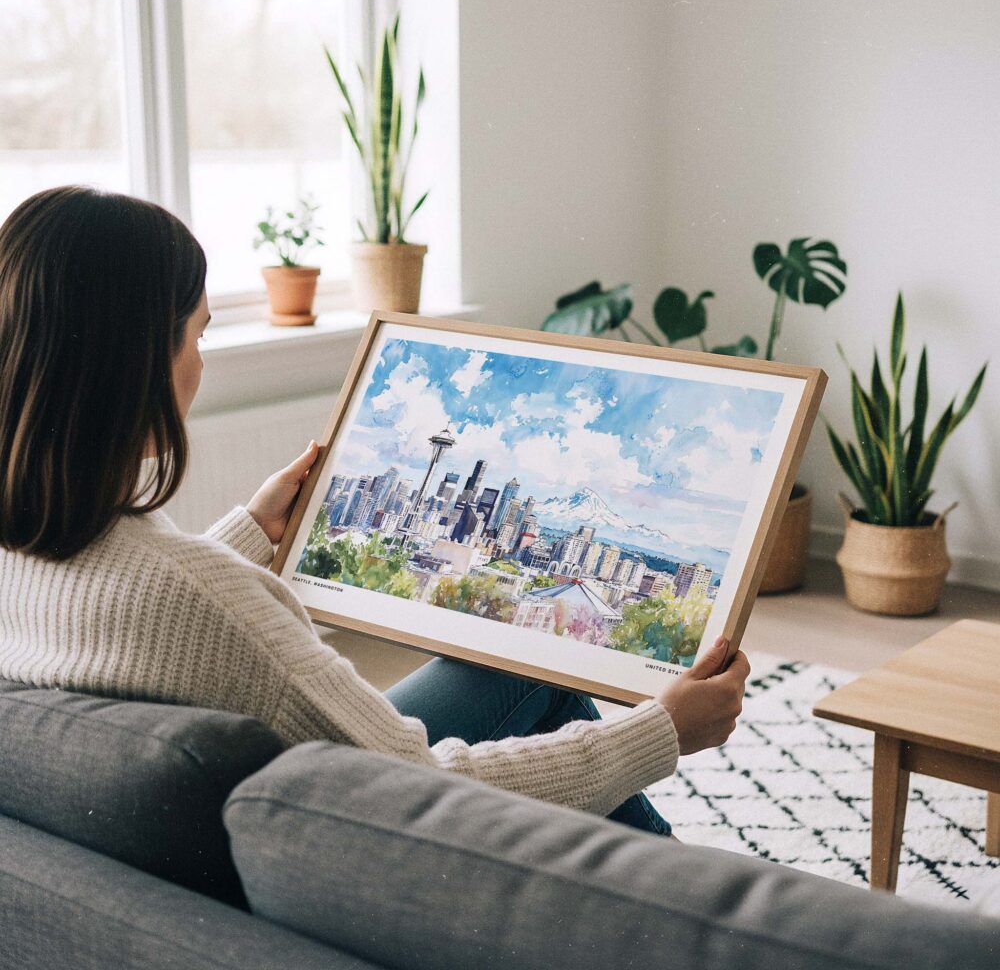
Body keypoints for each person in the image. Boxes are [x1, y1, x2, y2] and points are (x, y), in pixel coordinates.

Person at [0, 186, 749, 836]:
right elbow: (419, 787)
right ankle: (695, 906)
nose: (203, 362)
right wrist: (660, 731)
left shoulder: (28, 552)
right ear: (136, 365)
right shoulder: (206, 600)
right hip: (362, 831)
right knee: (548, 692)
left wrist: (249, 535)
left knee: (507, 671)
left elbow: (140, 607)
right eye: (198, 335)